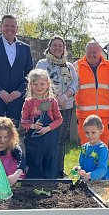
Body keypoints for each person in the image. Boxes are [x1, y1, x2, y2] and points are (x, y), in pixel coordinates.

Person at [36, 36, 78, 177]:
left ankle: (59, 170)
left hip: (65, 107)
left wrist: (65, 96)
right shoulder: (42, 64)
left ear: (64, 48)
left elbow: (74, 83)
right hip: (47, 107)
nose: (57, 48)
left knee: (60, 140)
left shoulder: (70, 66)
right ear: (49, 47)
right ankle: (44, 169)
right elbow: (38, 81)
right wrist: (53, 99)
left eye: (60, 45)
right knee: (45, 137)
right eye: (54, 45)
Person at [0, 15, 33, 125]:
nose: (10, 28)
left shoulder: (25, 48)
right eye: (6, 25)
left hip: (17, 98)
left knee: (13, 132)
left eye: (13, 26)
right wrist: (0, 91)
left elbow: (29, 74)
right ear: (1, 27)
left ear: (17, 28)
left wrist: (19, 91)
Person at [20, 69, 63, 179]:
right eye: (35, 84)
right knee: (34, 160)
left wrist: (48, 128)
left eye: (42, 84)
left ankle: (50, 181)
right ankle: (34, 182)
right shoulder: (28, 103)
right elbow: (23, 122)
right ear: (31, 85)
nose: (39, 87)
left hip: (49, 138)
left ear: (48, 84)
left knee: (49, 160)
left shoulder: (52, 102)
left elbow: (59, 120)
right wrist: (32, 126)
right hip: (33, 140)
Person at [74, 40, 109, 146]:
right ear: (85, 52)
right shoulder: (76, 67)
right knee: (86, 147)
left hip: (104, 117)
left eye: (94, 52)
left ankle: (102, 164)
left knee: (103, 147)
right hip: (84, 117)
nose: (91, 55)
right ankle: (86, 164)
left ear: (100, 51)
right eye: (89, 52)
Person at [0, 117, 26, 185]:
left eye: (6, 137)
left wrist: (15, 176)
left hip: (14, 180)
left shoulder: (13, 148)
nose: (2, 140)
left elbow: (22, 161)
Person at [73, 115, 109, 181]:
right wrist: (77, 169)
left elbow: (102, 169)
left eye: (93, 132)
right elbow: (81, 165)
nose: (90, 135)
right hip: (87, 181)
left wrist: (89, 176)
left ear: (101, 131)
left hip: (101, 182)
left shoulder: (102, 149)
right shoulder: (84, 147)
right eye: (87, 132)